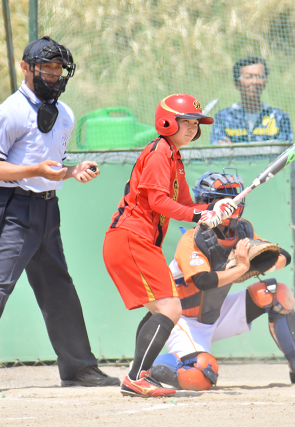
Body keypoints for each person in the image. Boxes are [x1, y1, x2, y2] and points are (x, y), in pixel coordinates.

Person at [0, 36, 119, 392]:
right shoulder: (11, 111)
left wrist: (71, 172)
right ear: (26, 68)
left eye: (59, 69)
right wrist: (34, 171)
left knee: (59, 289)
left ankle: (78, 368)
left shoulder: (65, 113)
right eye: (46, 68)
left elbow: (53, 168)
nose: (53, 75)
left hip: (48, 210)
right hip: (15, 210)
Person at [146, 170, 295, 390]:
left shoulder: (241, 230)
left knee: (277, 292)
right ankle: (148, 366)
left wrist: (261, 261)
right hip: (183, 322)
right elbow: (203, 281)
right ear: (205, 203)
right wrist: (241, 268)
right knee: (200, 375)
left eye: (234, 196)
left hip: (215, 314)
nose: (231, 203)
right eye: (222, 197)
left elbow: (283, 256)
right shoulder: (193, 238)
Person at [102, 94, 238, 398]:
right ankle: (136, 377)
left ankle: (140, 374)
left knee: (158, 310)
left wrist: (215, 208)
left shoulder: (174, 156)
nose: (191, 128)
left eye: (195, 124)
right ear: (167, 122)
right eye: (185, 122)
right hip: (131, 237)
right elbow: (159, 202)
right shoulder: (159, 153)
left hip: (138, 240)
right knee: (170, 306)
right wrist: (201, 213)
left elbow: (187, 204)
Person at [210, 56, 293, 144]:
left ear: (265, 82)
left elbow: (286, 152)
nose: (254, 82)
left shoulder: (279, 118)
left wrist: (234, 149)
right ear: (236, 83)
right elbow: (220, 149)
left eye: (259, 76)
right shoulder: (223, 117)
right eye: (248, 77)